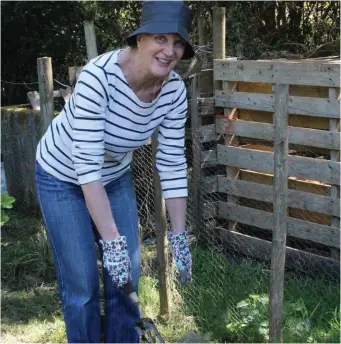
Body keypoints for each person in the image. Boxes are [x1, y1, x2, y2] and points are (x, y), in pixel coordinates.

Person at [35, 1, 194, 343]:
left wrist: (179, 235)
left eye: (178, 43)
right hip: (62, 177)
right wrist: (112, 243)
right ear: (140, 39)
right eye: (161, 39)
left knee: (127, 280)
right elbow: (86, 168)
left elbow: (171, 163)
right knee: (82, 285)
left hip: (113, 176)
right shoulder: (99, 77)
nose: (169, 51)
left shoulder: (174, 92)